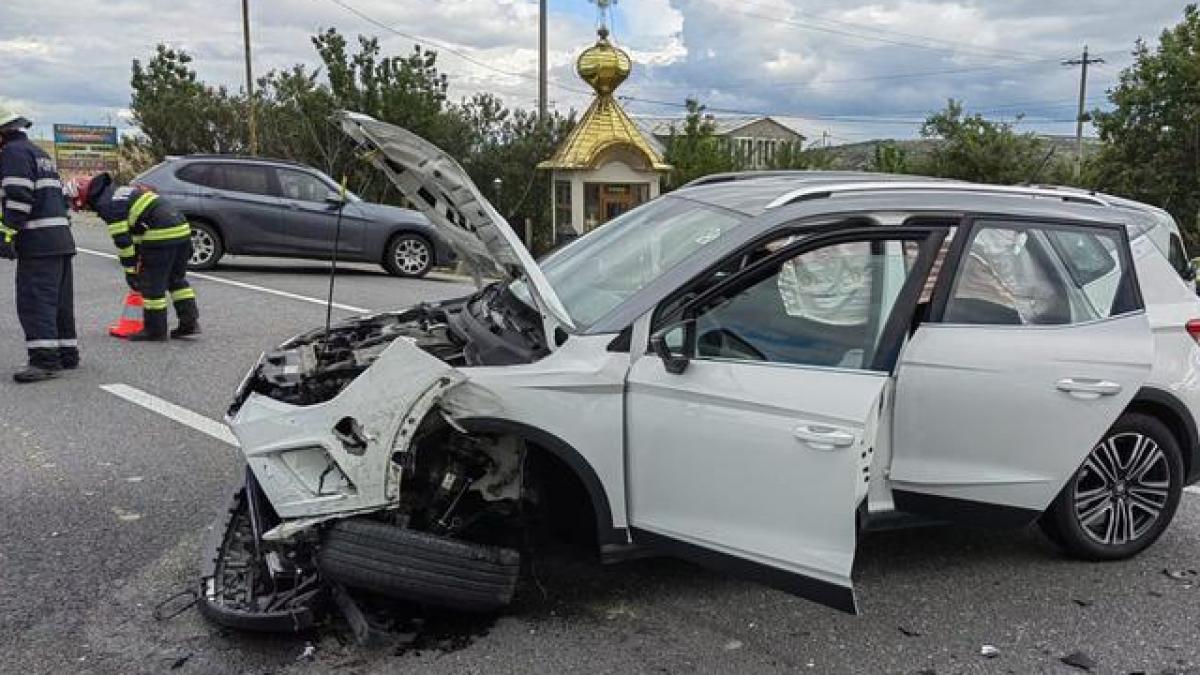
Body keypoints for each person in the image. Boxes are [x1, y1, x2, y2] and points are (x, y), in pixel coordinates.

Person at [72, 173, 199, 340]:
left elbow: (123, 242)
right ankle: (189, 323)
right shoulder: (119, 192)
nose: (82, 209)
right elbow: (138, 228)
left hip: (161, 234)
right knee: (176, 280)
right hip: (181, 229)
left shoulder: (107, 205)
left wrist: (130, 271)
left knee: (152, 285)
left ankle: (155, 331)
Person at [0, 110, 77, 382]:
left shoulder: (12, 154)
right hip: (59, 239)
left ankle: (44, 360)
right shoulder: (38, 153)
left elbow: (19, 197)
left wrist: (6, 233)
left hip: (38, 241)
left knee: (35, 300)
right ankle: (67, 353)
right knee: (58, 302)